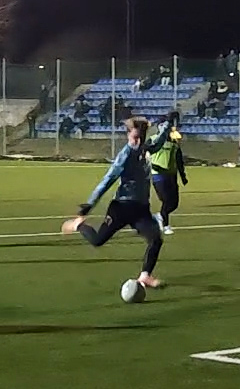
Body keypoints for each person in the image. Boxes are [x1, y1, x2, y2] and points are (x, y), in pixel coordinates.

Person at [61, 117, 165, 292]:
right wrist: (90, 204)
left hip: (141, 209)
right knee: (98, 241)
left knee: (156, 239)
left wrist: (168, 125)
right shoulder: (125, 155)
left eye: (140, 138)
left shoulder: (145, 149)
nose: (138, 141)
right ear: (128, 135)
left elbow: (158, 144)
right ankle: (78, 225)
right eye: (135, 137)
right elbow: (108, 179)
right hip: (122, 208)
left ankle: (145, 276)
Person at [147, 110, 189, 234]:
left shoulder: (174, 142)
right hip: (158, 175)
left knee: (174, 203)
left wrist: (183, 176)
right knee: (166, 200)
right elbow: (145, 156)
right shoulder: (153, 140)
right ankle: (165, 225)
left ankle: (160, 216)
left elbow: (179, 159)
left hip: (172, 175)